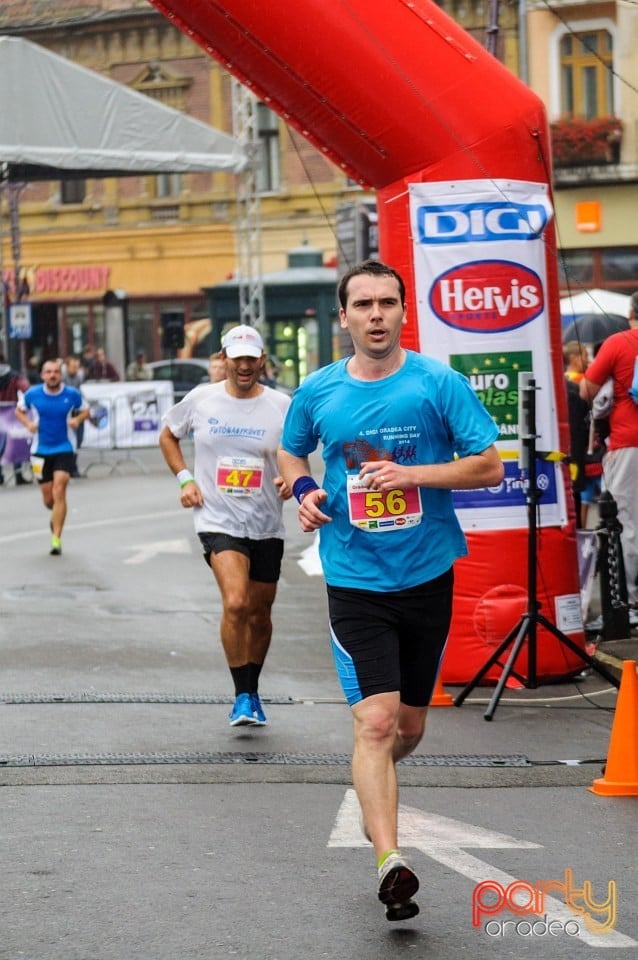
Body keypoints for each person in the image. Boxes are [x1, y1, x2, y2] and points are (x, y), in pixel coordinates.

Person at [277, 260, 503, 922]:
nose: (376, 314)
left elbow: (488, 465)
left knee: (407, 725)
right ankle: (391, 861)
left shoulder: (437, 383)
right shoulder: (318, 392)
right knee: (374, 721)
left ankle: (374, 775)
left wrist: (413, 476)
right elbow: (292, 455)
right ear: (343, 316)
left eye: (387, 303)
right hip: (355, 579)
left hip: (428, 572)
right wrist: (306, 491)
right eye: (364, 304)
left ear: (404, 311)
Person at [159, 323, 292, 727]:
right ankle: (243, 696)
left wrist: (290, 477)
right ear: (224, 360)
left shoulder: (281, 405)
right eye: (237, 359)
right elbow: (168, 435)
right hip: (217, 518)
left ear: (262, 360)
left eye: (252, 358)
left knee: (260, 612)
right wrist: (185, 479)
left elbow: (294, 451)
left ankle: (253, 687)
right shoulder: (202, 399)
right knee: (236, 602)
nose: (245, 366)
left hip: (266, 521)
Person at [580, 290, 638, 625]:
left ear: (631, 313)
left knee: (627, 523)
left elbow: (586, 389)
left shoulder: (618, 342)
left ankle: (629, 606)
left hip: (627, 442)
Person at [15, 358, 90, 555]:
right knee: (49, 499)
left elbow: (86, 410)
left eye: (56, 371)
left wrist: (77, 419)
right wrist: (28, 424)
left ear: (61, 374)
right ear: (42, 375)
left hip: (65, 447)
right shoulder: (33, 394)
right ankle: (55, 516)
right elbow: (18, 410)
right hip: (40, 450)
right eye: (48, 372)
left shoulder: (71, 394)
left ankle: (56, 538)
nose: (52, 375)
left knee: (60, 487)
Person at [0, 356, 31, 486]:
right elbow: (26, 389)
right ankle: (18, 475)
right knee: (14, 443)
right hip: (11, 415)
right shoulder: (14, 375)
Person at [62, 355, 86, 478]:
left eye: (77, 366)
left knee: (78, 440)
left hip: (77, 412)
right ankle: (68, 467)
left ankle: (73, 465)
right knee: (69, 441)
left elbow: (80, 393)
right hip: (65, 413)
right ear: (67, 367)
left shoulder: (79, 376)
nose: (75, 369)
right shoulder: (62, 377)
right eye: (73, 367)